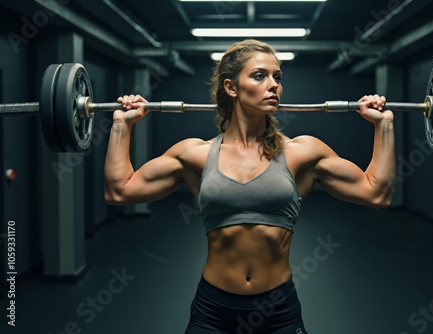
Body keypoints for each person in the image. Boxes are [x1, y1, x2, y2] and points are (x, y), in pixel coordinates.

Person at [104, 39, 395, 333]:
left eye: (277, 77)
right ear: (231, 87)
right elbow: (120, 190)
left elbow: (376, 192)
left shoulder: (302, 152)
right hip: (213, 310)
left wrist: (384, 126)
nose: (274, 86)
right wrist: (121, 125)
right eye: (260, 76)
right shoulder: (196, 154)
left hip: (279, 310)